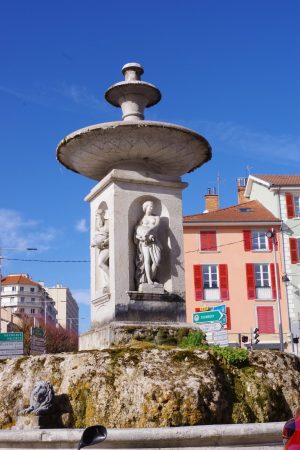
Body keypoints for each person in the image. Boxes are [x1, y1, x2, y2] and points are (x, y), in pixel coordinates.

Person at [134, 200, 161, 287]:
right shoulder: (141, 220)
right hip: (144, 242)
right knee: (147, 259)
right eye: (150, 206)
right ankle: (149, 280)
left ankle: (151, 277)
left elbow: (155, 226)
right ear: (146, 208)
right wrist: (141, 237)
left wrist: (148, 232)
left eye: (152, 206)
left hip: (154, 240)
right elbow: (136, 232)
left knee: (157, 261)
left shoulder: (156, 217)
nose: (152, 208)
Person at [92, 209, 109, 292]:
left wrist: (107, 240)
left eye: (98, 216)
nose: (97, 218)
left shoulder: (108, 223)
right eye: (96, 217)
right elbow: (95, 236)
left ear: (102, 215)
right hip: (102, 248)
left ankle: (111, 280)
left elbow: (113, 234)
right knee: (102, 265)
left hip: (108, 247)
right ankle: (107, 282)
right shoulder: (97, 226)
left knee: (100, 263)